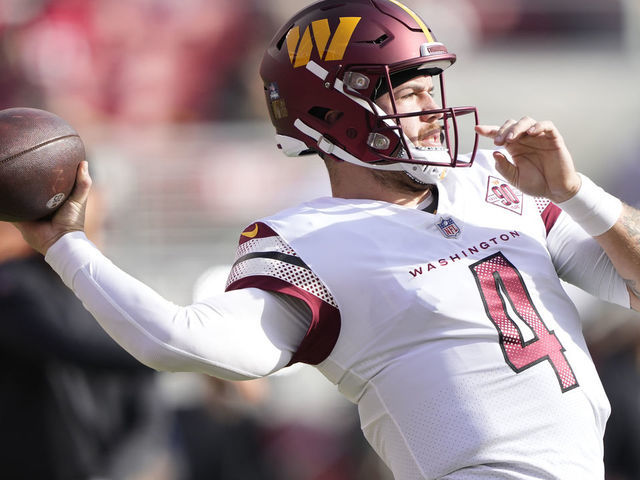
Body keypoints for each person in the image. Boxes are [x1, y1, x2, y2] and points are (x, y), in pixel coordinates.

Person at [10, 0, 640, 478]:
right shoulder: (307, 243)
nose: (433, 111)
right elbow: (183, 341)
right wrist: (66, 246)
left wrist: (576, 191)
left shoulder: (494, 184)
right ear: (337, 113)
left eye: (430, 89)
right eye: (411, 93)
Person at [0, 191, 172, 479]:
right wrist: (178, 350)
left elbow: (148, 419)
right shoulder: (15, 285)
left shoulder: (120, 290)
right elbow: (72, 344)